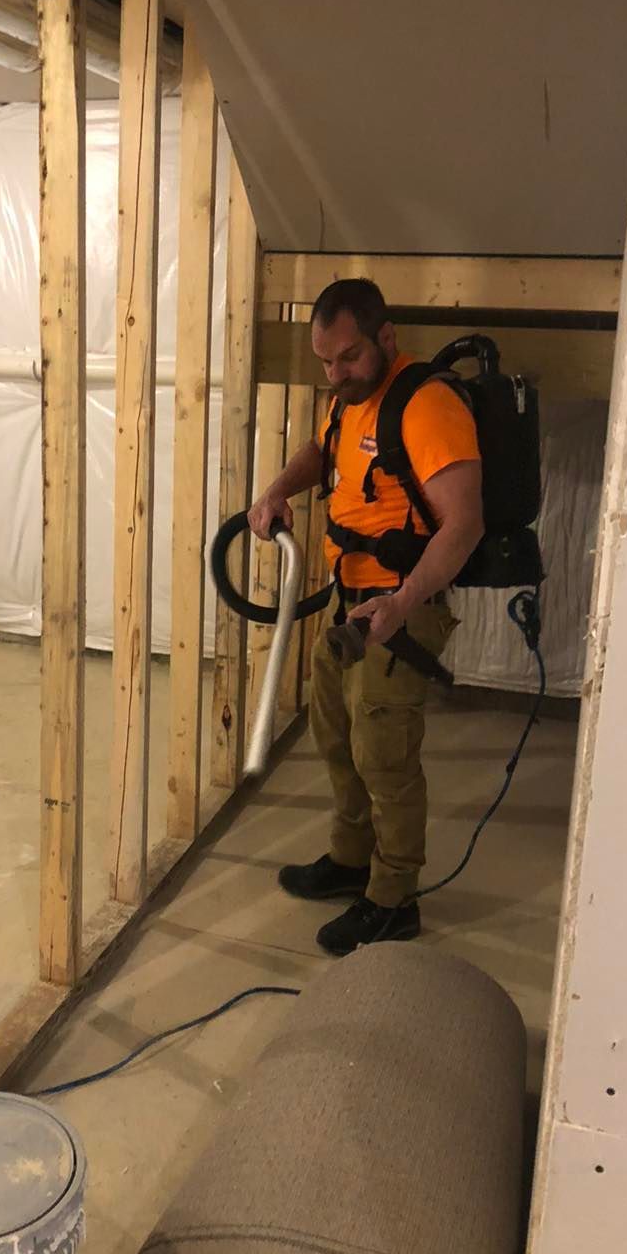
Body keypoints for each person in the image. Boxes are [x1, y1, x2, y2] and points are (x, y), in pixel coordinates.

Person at [248, 278, 483, 956]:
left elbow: (464, 525)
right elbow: (323, 453)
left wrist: (402, 603)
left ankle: (393, 898)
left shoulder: (426, 405)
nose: (336, 374)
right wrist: (276, 492)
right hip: (352, 603)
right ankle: (351, 861)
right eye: (325, 361)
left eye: (348, 357)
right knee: (336, 736)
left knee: (384, 757)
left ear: (386, 337)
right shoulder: (349, 401)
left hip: (402, 612)